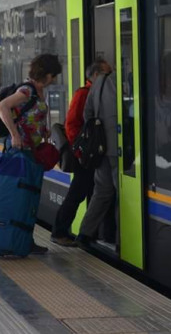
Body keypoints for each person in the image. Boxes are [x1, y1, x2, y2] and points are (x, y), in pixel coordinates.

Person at [0, 53, 63, 255]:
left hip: (32, 152)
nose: (54, 80)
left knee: (29, 198)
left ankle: (25, 239)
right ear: (47, 74)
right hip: (20, 151)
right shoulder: (26, 90)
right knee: (19, 197)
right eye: (54, 76)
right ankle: (9, 240)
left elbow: (32, 116)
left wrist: (43, 130)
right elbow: (2, 107)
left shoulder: (40, 92)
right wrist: (14, 134)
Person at [51, 59, 111, 247]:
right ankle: (59, 231)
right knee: (77, 193)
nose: (110, 78)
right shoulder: (83, 94)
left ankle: (92, 233)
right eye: (106, 74)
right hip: (85, 155)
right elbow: (71, 124)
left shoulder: (99, 93)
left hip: (95, 155)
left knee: (91, 191)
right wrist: (81, 150)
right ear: (95, 75)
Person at [76, 61, 119, 248]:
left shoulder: (98, 83)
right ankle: (121, 240)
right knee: (122, 193)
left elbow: (88, 114)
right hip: (119, 149)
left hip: (101, 148)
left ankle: (85, 233)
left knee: (101, 192)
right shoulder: (122, 80)